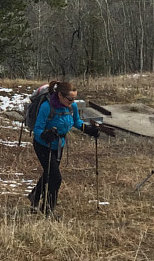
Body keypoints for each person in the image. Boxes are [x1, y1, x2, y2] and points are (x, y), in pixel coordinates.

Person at [29, 80, 113, 216]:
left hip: (59, 145)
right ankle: (48, 210)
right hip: (43, 145)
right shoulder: (46, 106)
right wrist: (46, 134)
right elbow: (37, 129)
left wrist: (88, 129)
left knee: (49, 173)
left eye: (74, 98)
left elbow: (76, 122)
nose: (73, 101)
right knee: (55, 178)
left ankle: (35, 196)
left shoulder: (71, 106)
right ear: (60, 96)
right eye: (70, 98)